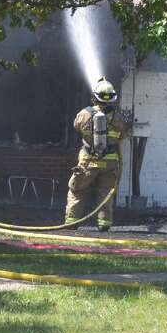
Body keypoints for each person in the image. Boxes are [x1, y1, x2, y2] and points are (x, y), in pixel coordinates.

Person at [64, 77, 129, 231]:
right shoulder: (118, 118)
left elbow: (76, 126)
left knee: (77, 190)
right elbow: (123, 135)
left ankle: (72, 222)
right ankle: (104, 224)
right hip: (110, 163)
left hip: (88, 161)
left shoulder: (84, 114)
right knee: (106, 193)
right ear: (113, 99)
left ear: (95, 97)